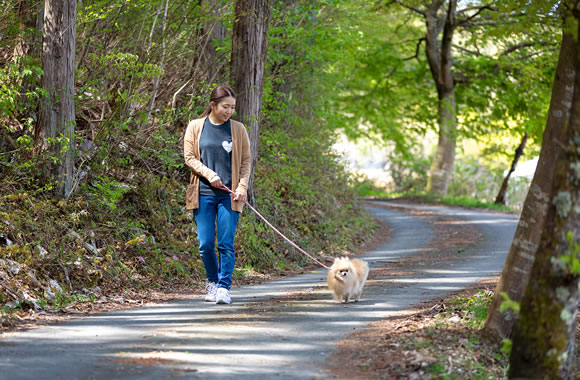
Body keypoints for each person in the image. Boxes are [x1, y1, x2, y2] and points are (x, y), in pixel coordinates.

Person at [183, 85, 251, 304]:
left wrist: (242, 187)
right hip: (202, 193)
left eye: (232, 107)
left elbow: (246, 161)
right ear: (213, 105)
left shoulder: (238, 129)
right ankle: (212, 282)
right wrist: (209, 174)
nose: (229, 111)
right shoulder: (195, 126)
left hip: (229, 195)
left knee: (225, 243)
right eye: (225, 106)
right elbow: (189, 158)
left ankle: (224, 287)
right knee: (204, 242)